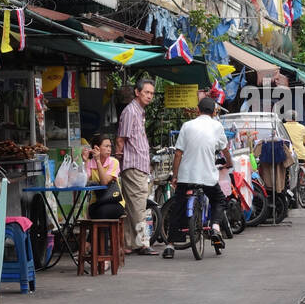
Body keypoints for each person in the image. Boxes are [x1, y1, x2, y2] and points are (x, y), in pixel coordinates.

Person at [164, 97, 231, 258]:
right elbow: (225, 149)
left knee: (178, 207)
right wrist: (228, 163)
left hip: (186, 177)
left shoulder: (187, 126)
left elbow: (178, 153)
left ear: (198, 110)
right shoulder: (217, 126)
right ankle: (215, 227)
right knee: (219, 199)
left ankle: (170, 246)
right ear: (214, 112)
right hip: (207, 176)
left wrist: (175, 176)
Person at [116, 77, 158, 256]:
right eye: (146, 92)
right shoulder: (131, 111)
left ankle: (128, 243)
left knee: (132, 206)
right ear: (137, 92)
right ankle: (143, 244)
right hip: (133, 166)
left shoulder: (139, 112)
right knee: (139, 206)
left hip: (138, 166)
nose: (149, 96)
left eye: (151, 93)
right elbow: (120, 140)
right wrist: (119, 161)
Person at [83, 134, 125, 221]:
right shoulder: (90, 163)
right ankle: (100, 235)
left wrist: (98, 161)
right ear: (96, 148)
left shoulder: (114, 162)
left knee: (102, 212)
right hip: (96, 202)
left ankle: (103, 235)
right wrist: (86, 161)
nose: (109, 149)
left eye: (110, 146)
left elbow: (104, 182)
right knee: (94, 211)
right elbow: (84, 182)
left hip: (114, 201)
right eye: (106, 146)